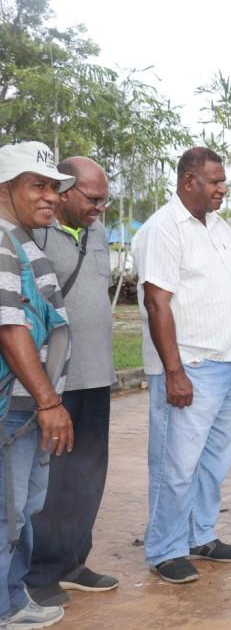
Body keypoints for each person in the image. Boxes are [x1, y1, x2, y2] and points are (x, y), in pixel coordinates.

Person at [134, 146, 231, 585]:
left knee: (213, 460)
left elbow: (229, 292)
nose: (222, 188)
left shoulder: (221, 227)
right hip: (190, 364)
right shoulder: (163, 229)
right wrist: (174, 371)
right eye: (215, 181)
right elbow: (155, 302)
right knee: (176, 462)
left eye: (223, 181)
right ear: (189, 181)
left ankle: (199, 535)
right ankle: (165, 549)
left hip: (227, 361)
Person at [26, 157, 118, 607]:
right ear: (64, 191)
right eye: (92, 198)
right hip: (55, 380)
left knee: (88, 474)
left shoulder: (98, 232)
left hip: (96, 374)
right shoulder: (35, 234)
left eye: (104, 199)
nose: (100, 207)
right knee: (53, 480)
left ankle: (74, 561)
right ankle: (39, 571)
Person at [0, 141, 75, 630]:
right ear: (5, 188)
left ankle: (11, 599)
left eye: (53, 187)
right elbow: (10, 327)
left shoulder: (22, 238)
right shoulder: (2, 243)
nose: (50, 197)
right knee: (7, 514)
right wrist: (48, 400)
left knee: (22, 509)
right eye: (38, 186)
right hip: (17, 406)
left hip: (29, 407)